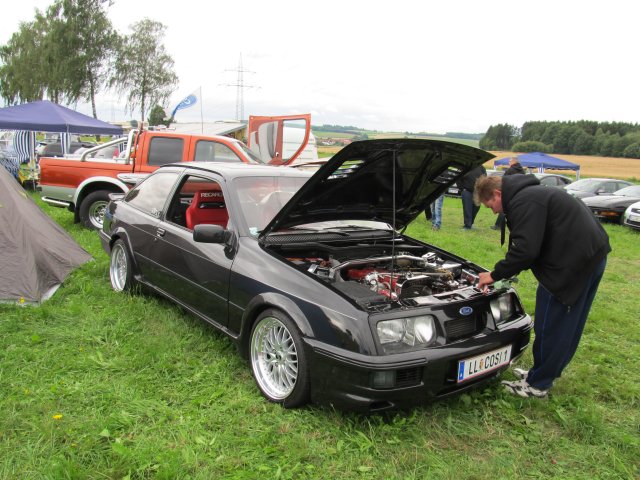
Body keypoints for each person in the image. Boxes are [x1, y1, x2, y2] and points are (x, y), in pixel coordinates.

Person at [474, 174, 610, 398]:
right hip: (590, 257)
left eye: (491, 205)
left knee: (552, 324)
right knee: (570, 322)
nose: (494, 212)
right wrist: (504, 276)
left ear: (498, 194)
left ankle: (538, 385)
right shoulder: (533, 193)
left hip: (569, 265)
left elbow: (526, 251)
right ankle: (543, 374)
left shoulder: (522, 201)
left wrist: (494, 275)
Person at [491, 157, 525, 230]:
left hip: (509, 191)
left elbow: (504, 181)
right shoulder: (522, 171)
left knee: (503, 208)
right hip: (519, 192)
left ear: (514, 161)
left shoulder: (510, 170)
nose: (509, 162)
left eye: (510, 161)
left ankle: (498, 225)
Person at [457, 164, 486, 229]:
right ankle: (467, 225)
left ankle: (471, 223)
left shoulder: (481, 167)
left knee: (476, 207)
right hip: (467, 191)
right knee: (467, 208)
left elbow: (485, 178)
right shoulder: (465, 166)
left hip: (477, 192)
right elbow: (458, 178)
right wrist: (462, 189)